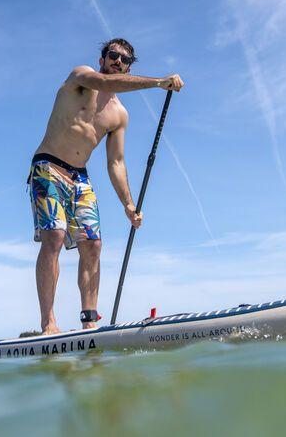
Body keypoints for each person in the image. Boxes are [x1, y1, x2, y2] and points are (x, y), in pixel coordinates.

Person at [28, 38, 184, 335]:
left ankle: (89, 320)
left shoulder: (119, 115)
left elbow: (116, 163)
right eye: (113, 55)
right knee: (55, 237)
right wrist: (157, 83)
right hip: (47, 167)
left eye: (124, 59)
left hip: (79, 177)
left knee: (94, 244)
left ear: (128, 68)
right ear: (102, 59)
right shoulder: (82, 77)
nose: (117, 61)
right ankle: (48, 322)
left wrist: (128, 204)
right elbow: (101, 80)